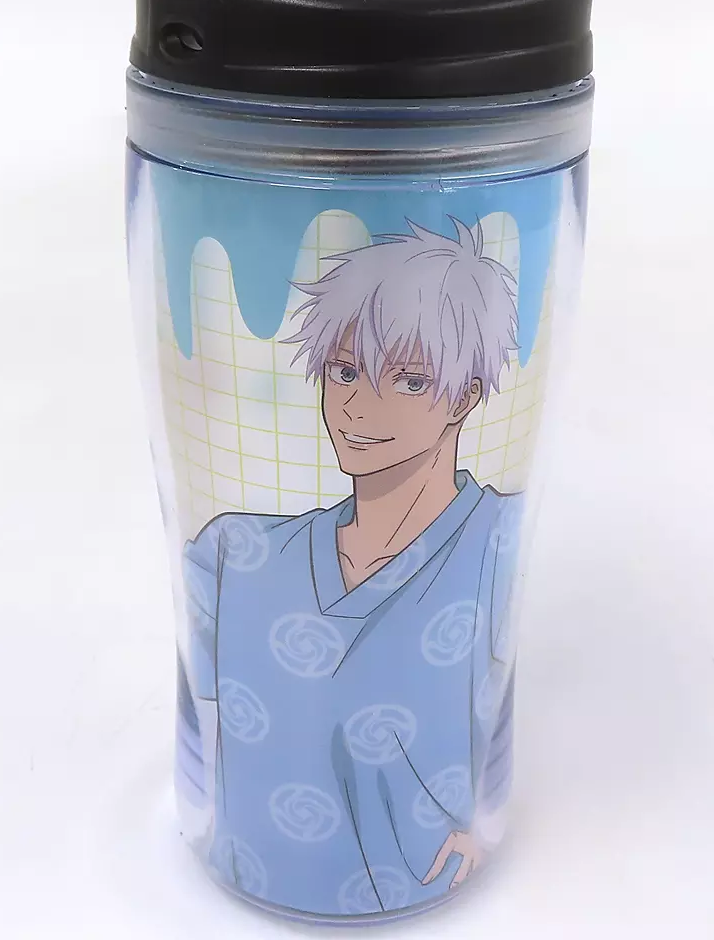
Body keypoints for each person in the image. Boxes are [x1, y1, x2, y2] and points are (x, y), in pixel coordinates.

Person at [181, 216, 524, 917]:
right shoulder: (236, 556)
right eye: (343, 371)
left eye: (411, 380)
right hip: (235, 881)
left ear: (464, 397)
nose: (359, 406)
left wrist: (483, 825)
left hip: (432, 888)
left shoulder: (493, 542)